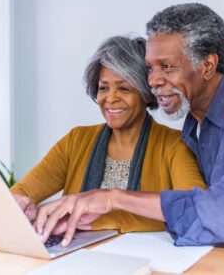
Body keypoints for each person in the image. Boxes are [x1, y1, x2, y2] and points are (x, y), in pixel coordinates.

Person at [34, 3, 224, 248]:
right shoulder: (195, 127)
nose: (154, 81)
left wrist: (112, 199)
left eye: (167, 66)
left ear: (208, 66)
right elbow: (202, 215)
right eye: (150, 68)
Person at [11, 35, 205, 239]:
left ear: (146, 93)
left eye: (123, 88)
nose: (110, 99)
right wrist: (21, 205)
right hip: (78, 258)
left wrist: (95, 220)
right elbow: (22, 191)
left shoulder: (175, 145)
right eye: (103, 88)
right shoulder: (76, 141)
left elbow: (194, 210)